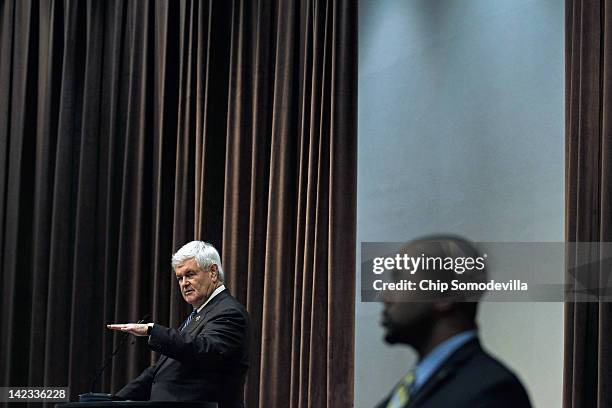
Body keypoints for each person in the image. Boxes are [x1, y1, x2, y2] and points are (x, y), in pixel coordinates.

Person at [376, 235, 531, 408]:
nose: (384, 297)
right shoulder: (415, 387)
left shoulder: (491, 390)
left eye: (400, 281)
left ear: (445, 296)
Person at [107, 241, 250, 408]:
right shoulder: (199, 315)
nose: (184, 283)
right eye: (179, 278)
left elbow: (204, 349)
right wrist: (112, 401)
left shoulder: (229, 312)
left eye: (190, 275)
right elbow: (158, 373)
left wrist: (152, 330)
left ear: (212, 272)